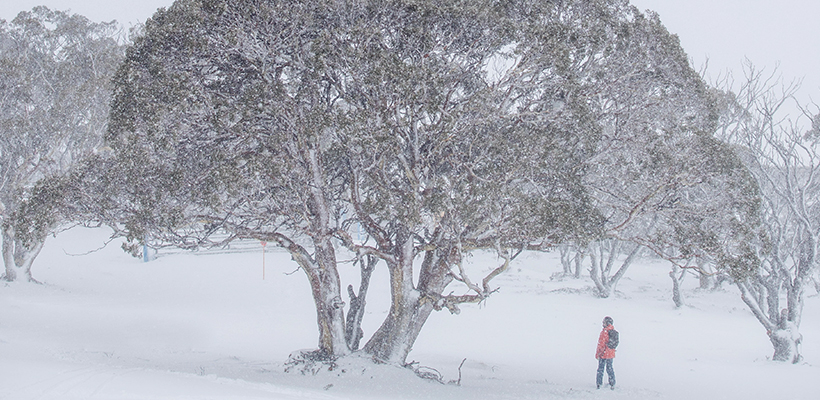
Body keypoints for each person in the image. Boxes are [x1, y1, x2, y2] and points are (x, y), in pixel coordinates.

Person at [595, 316, 616, 390]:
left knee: (600, 369)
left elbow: (601, 344)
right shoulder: (612, 331)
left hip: (603, 354)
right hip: (611, 354)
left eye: (603, 322)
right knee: (610, 368)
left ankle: (599, 383)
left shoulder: (604, 332)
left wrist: (597, 354)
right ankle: (612, 383)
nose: (602, 324)